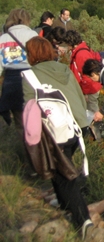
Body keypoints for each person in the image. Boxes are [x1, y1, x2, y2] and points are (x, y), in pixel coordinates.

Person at [22, 37, 93, 236]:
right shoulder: (65, 69)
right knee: (60, 168)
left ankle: (84, 222)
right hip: (78, 126)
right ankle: (65, 206)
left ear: (31, 55)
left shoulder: (29, 76)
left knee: (65, 177)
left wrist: (31, 141)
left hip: (57, 132)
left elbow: (29, 110)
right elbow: (79, 96)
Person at [0, 9, 39, 127]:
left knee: (20, 122)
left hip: (10, 81)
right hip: (31, 77)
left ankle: (25, 143)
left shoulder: (2, 39)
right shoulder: (32, 35)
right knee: (35, 117)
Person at [63, 30, 104, 114]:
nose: (67, 46)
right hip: (89, 87)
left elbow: (87, 74)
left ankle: (96, 126)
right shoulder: (81, 50)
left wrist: (85, 92)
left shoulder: (81, 54)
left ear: (71, 43)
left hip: (90, 88)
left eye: (67, 43)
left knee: (92, 112)